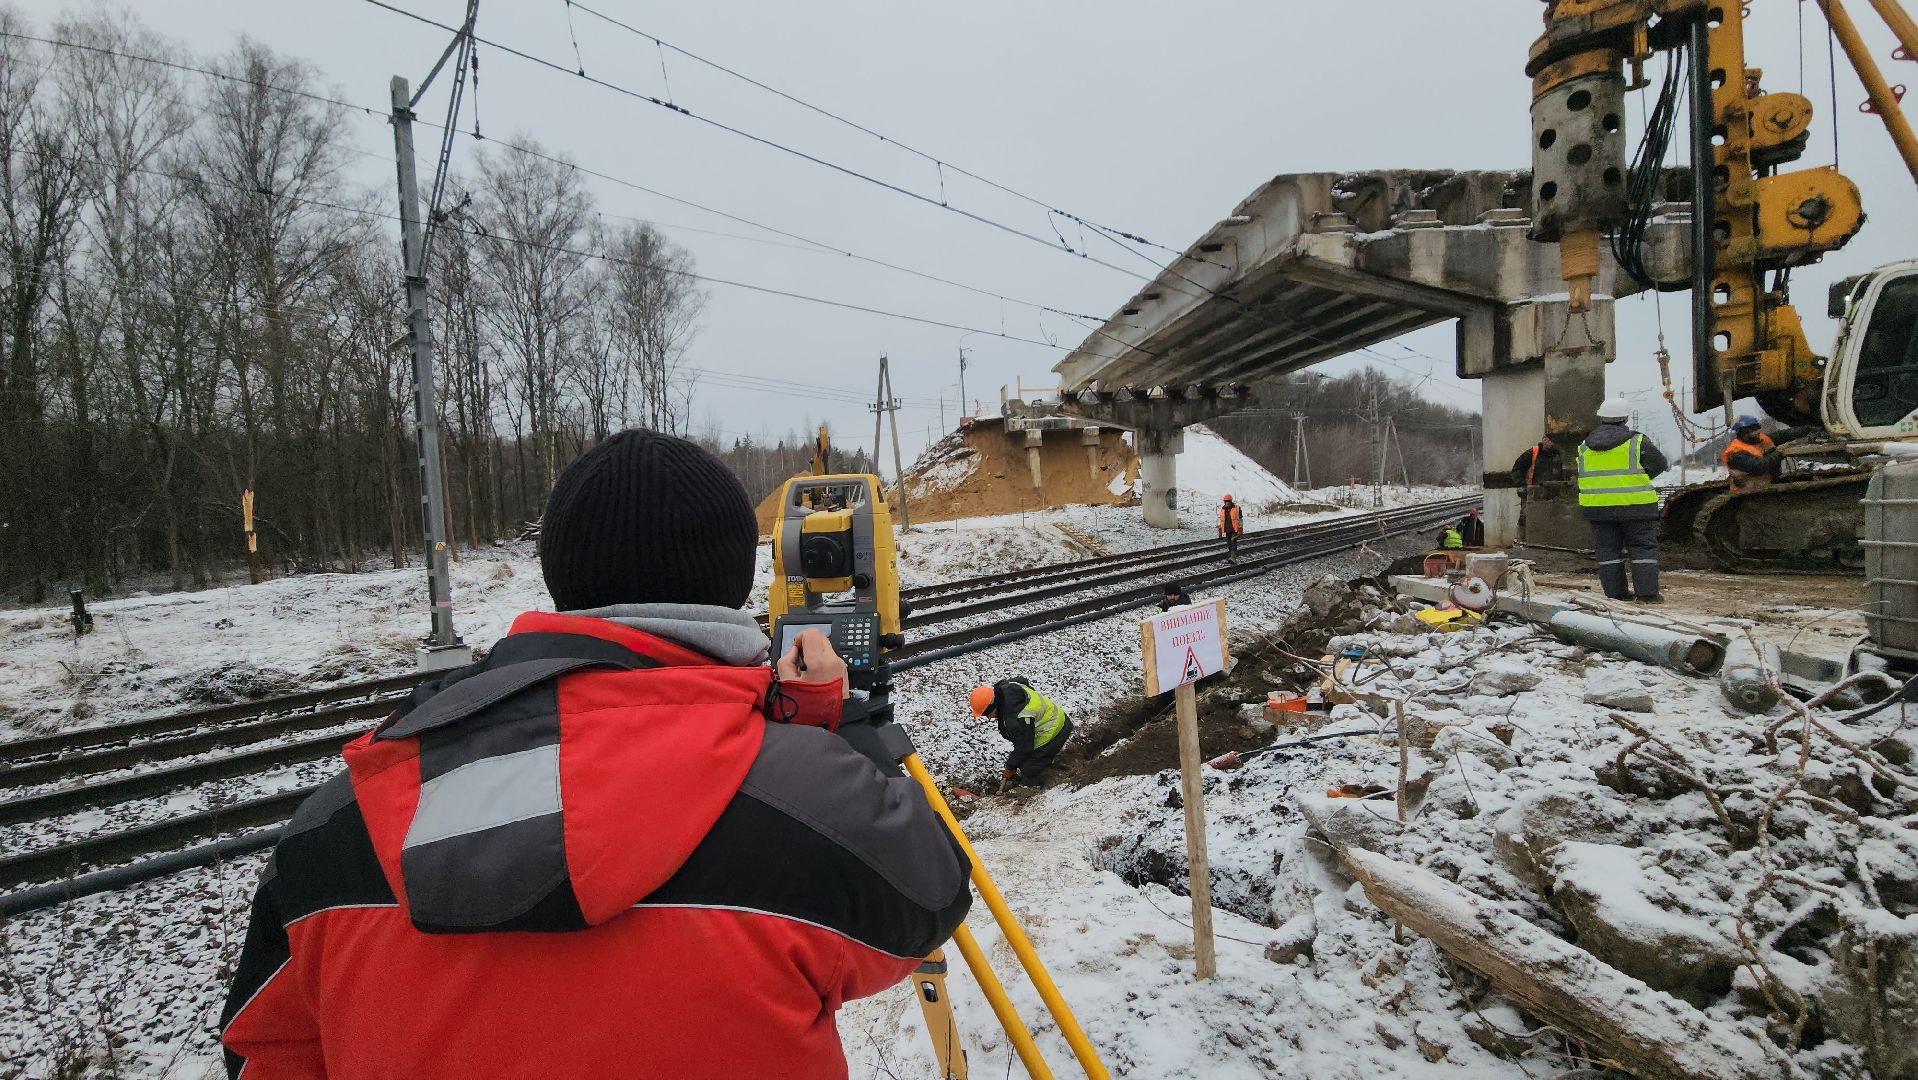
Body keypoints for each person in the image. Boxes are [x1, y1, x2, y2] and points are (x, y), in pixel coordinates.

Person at [220, 430, 972, 1080]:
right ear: (731, 577)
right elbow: (929, 899)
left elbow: (266, 1051)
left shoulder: (335, 822)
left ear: (561, 576)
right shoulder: (809, 798)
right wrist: (828, 735)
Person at [1576, 397, 1669, 603]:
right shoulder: (1637, 441)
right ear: (1625, 418)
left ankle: (1615, 594)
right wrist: (1639, 478)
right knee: (1642, 548)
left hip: (1598, 508)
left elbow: (1583, 474)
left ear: (1601, 417)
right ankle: (1647, 595)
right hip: (1635, 506)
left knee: (1607, 551)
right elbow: (1660, 463)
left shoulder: (1584, 446)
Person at [969, 676, 1073, 788]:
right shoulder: (1007, 687)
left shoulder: (1016, 719)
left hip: (1055, 730)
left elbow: (1025, 746)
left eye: (986, 714)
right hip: (1056, 718)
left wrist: (1010, 766)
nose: (989, 718)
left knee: (1029, 768)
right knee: (1023, 759)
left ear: (993, 706)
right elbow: (1022, 680)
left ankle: (1034, 790)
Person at [1722, 415, 1778, 492]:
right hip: (1745, 493)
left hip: (1763, 489)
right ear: (1744, 433)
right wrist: (1778, 453)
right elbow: (1759, 466)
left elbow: (1781, 435)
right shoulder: (1736, 453)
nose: (1758, 434)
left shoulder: (1756, 440)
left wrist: (1798, 431)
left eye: (1757, 430)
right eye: (1754, 431)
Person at [1218, 493, 1244, 560]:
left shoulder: (1237, 508)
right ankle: (1231, 555)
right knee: (1229, 543)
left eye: (1228, 501)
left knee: (1233, 543)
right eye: (1225, 501)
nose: (1227, 503)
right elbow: (1221, 521)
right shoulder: (1222, 510)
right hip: (1227, 530)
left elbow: (1240, 519)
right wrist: (1220, 531)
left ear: (1231, 501)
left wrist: (1240, 528)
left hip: (1234, 530)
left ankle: (1233, 558)